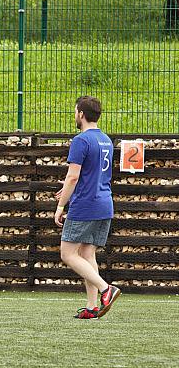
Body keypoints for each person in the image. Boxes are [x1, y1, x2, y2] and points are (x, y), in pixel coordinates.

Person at [55, 96, 121, 319]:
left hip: (85, 205)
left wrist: (61, 205)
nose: (75, 115)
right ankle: (92, 307)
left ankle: (106, 289)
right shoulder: (106, 140)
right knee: (87, 253)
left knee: (67, 253)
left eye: (75, 111)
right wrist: (67, 189)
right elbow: (91, 175)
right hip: (104, 203)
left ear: (81, 114)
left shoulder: (81, 140)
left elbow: (73, 177)